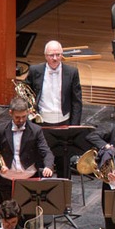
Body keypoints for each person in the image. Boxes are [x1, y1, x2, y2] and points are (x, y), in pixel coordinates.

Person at [26, 40, 85, 175]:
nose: (55, 58)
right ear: (45, 56)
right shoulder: (35, 70)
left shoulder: (72, 72)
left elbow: (77, 101)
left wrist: (74, 127)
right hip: (41, 123)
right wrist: (29, 108)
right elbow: (25, 90)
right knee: (41, 158)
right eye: (51, 55)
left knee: (63, 161)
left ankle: (64, 186)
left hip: (63, 122)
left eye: (58, 55)